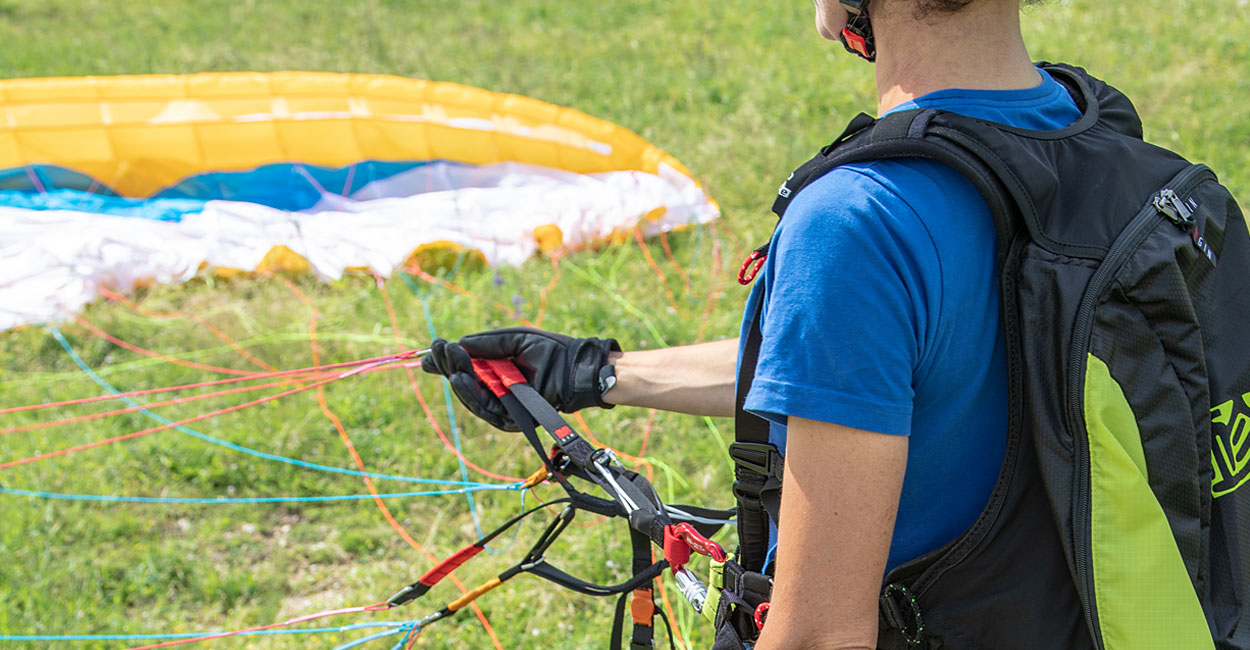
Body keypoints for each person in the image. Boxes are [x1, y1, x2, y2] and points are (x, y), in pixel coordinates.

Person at [420, 1, 1170, 648]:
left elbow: (821, 635)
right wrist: (597, 374)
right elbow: (883, 371)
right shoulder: (1095, 133)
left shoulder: (860, 222)